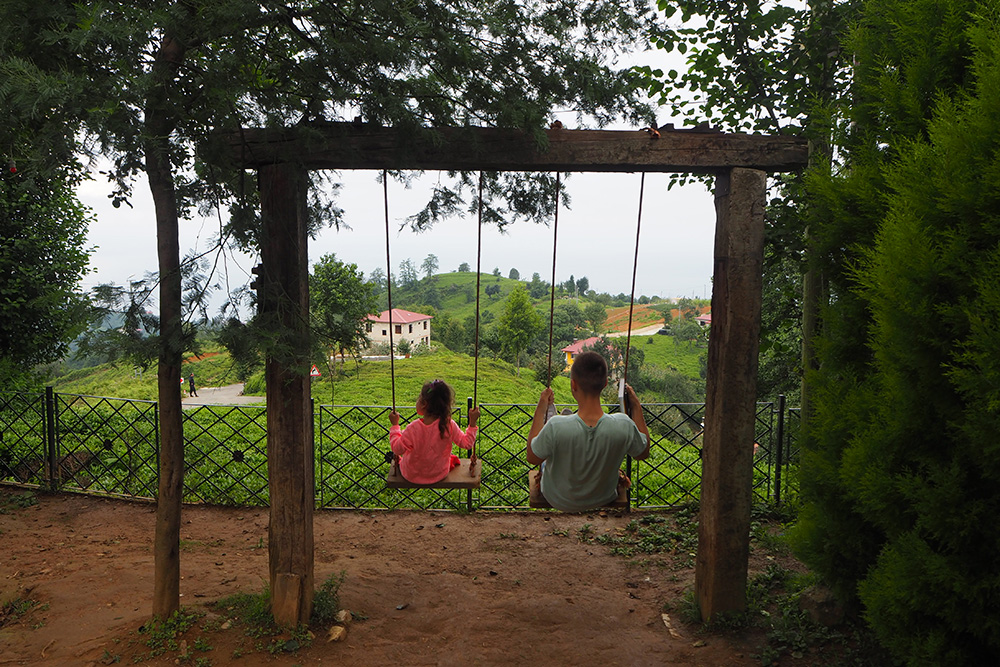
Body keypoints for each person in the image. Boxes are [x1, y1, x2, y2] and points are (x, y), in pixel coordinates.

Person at [526, 351, 650, 512]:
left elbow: (532, 457)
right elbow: (643, 453)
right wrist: (636, 406)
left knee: (552, 442)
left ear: (573, 384)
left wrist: (541, 408)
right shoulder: (623, 424)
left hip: (558, 498)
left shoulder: (555, 426)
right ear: (605, 383)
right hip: (604, 496)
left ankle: (563, 417)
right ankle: (569, 421)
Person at [389, 379, 480, 484]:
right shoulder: (448, 425)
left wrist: (395, 426)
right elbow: (467, 443)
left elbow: (397, 449)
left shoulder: (413, 428)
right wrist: (472, 423)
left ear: (423, 404)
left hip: (411, 475)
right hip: (439, 474)